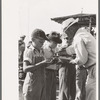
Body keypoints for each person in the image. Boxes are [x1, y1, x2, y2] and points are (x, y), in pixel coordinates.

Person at [62, 18, 96, 100]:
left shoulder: (78, 37)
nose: (67, 35)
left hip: (94, 69)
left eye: (67, 32)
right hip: (94, 68)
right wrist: (65, 51)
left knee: (91, 95)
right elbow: (75, 48)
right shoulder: (84, 34)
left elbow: (82, 60)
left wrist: (70, 61)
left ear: (71, 28)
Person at [23, 29, 49, 100]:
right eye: (40, 41)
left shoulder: (41, 51)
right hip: (32, 86)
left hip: (41, 84)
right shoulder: (29, 51)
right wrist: (42, 63)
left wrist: (50, 62)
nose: (42, 43)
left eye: (43, 42)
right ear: (33, 39)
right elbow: (25, 69)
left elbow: (42, 66)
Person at [43, 31, 62, 100]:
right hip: (46, 72)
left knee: (52, 92)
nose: (56, 45)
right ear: (49, 41)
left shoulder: (56, 49)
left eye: (57, 43)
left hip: (53, 72)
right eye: (54, 42)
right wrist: (50, 61)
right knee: (47, 92)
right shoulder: (44, 49)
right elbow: (42, 62)